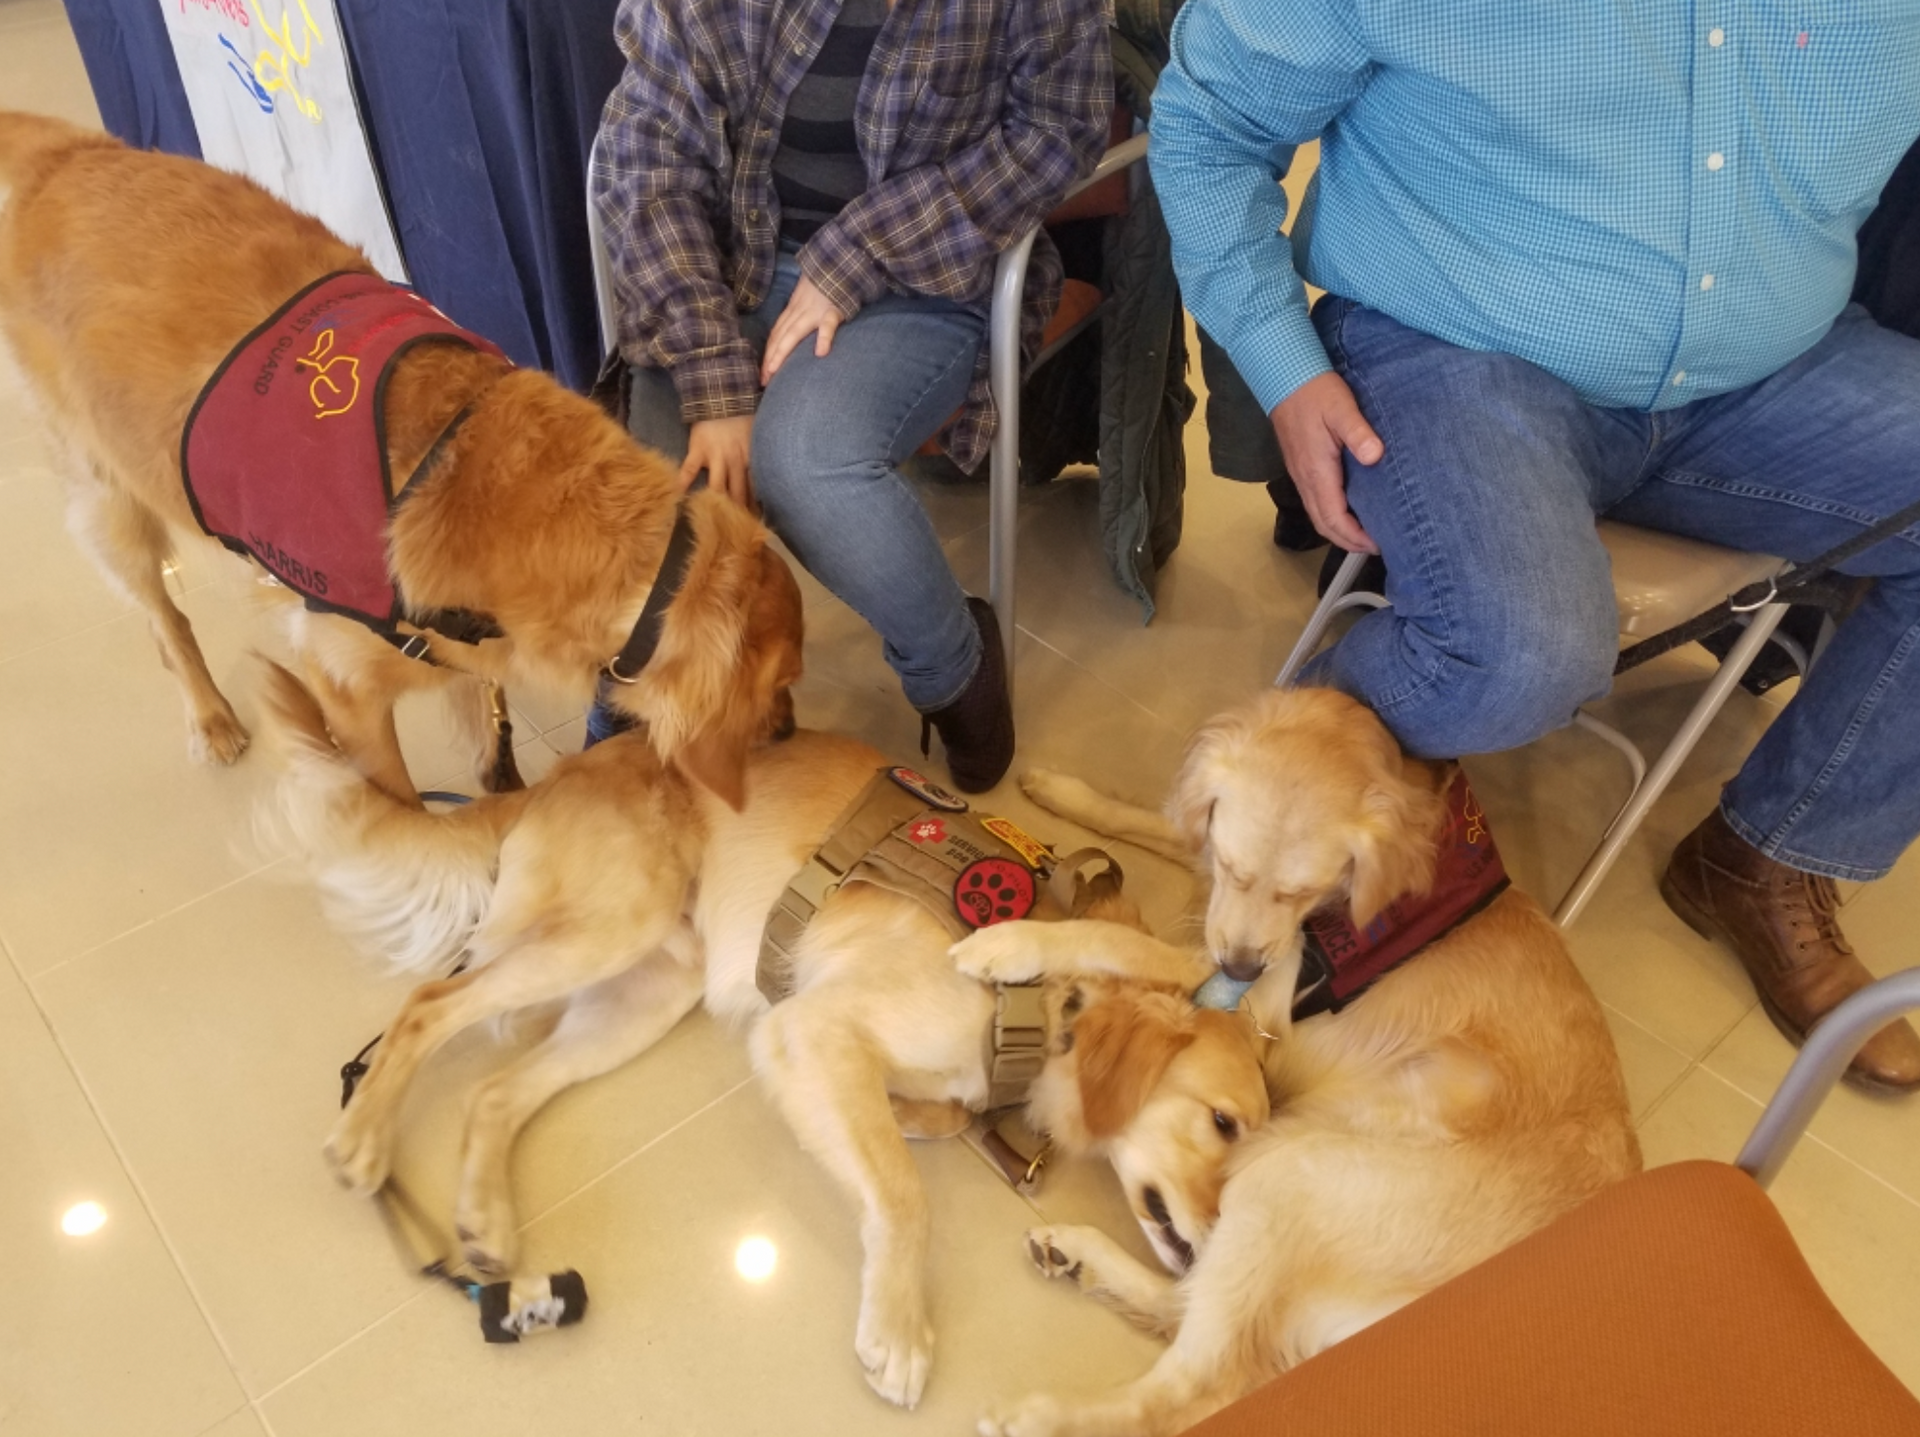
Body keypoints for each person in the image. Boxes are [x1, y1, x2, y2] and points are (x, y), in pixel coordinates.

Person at [1150, 4, 1920, 1090]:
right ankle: (1282, 794)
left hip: (1770, 368)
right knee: (1519, 655)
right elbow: (1206, 124)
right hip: (1460, 344)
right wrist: (1284, 367)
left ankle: (1772, 856)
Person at [590, 0, 1112, 792]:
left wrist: (864, 250)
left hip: (925, 273)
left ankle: (956, 669)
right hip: (730, 259)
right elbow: (647, 142)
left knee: (805, 460)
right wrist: (711, 376)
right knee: (663, 506)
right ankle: (682, 715)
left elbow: (1058, 132)